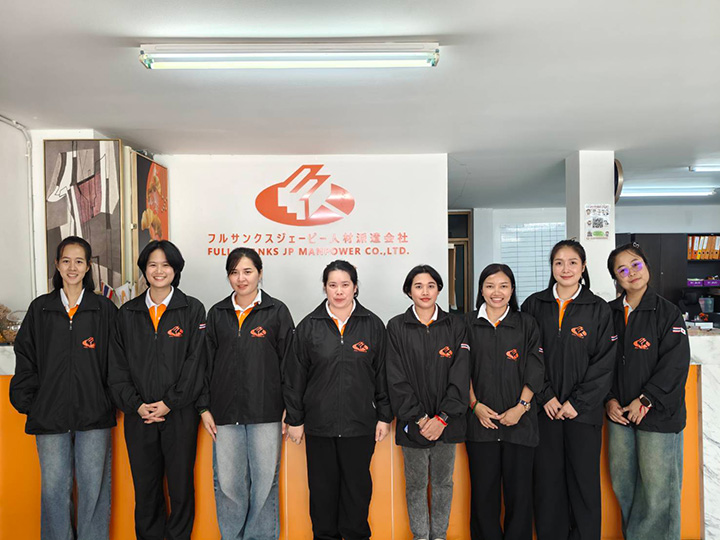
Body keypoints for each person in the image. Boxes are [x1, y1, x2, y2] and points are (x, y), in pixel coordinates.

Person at [10, 235, 117, 540]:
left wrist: (108, 400)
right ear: (57, 265)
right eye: (66, 261)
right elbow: (25, 357)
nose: (72, 267)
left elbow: (117, 361)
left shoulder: (103, 309)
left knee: (94, 491)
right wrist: (32, 403)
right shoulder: (40, 309)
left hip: (94, 416)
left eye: (79, 261)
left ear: (88, 267)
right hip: (49, 416)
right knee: (54, 492)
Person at [283, 260, 392, 540]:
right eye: (333, 285)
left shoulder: (373, 325)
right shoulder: (309, 326)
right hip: (320, 426)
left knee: (357, 492)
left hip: (359, 425)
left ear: (355, 287)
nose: (339, 291)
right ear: (325, 288)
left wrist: (384, 415)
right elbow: (294, 377)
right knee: (322, 493)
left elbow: (383, 374)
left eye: (345, 285)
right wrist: (295, 419)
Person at [109, 240, 206, 540]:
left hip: (179, 415)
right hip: (139, 416)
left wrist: (170, 402)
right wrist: (136, 405)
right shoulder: (127, 313)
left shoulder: (192, 309)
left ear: (176, 270)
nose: (159, 271)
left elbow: (196, 363)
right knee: (146, 489)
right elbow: (116, 367)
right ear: (144, 270)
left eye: (166, 265)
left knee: (180, 488)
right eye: (153, 265)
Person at [521, 239, 616, 540]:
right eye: (559, 262)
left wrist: (577, 402)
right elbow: (526, 357)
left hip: (583, 415)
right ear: (551, 267)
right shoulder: (534, 305)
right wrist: (545, 395)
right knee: (547, 484)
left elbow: (604, 362)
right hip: (544, 412)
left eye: (573, 262)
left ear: (583, 267)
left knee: (583, 484)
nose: (566, 269)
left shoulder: (598, 308)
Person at [198, 248, 294, 540]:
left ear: (260, 273)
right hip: (225, 414)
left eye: (248, 271)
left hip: (266, 412)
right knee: (228, 484)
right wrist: (203, 407)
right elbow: (204, 364)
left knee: (264, 484)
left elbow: (290, 363)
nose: (241, 278)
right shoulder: (217, 313)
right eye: (234, 272)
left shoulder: (277, 311)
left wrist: (290, 407)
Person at [605, 243, 690, 540]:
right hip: (620, 416)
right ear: (616, 278)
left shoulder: (668, 312)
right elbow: (601, 362)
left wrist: (646, 399)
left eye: (636, 264)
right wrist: (609, 399)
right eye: (622, 269)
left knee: (658, 491)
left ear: (647, 265)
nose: (631, 273)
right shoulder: (609, 313)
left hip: (657, 414)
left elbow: (675, 363)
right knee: (624, 485)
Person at [386, 264, 469, 540]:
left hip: (447, 422)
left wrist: (442, 418)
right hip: (413, 424)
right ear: (409, 291)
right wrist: (421, 419)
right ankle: (420, 536)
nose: (425, 291)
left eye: (431, 285)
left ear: (439, 289)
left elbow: (461, 374)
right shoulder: (396, 326)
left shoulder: (455, 325)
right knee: (416, 484)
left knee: (444, 483)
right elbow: (395, 378)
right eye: (418, 286)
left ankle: (440, 536)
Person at [466, 263, 544, 540]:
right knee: (483, 496)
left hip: (519, 425)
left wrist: (520, 408)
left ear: (512, 290)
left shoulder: (526, 324)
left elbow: (536, 368)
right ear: (481, 290)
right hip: (480, 426)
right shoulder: (467, 324)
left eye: (503, 286)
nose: (496, 292)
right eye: (490, 286)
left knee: (519, 496)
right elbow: (460, 370)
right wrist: (475, 405)